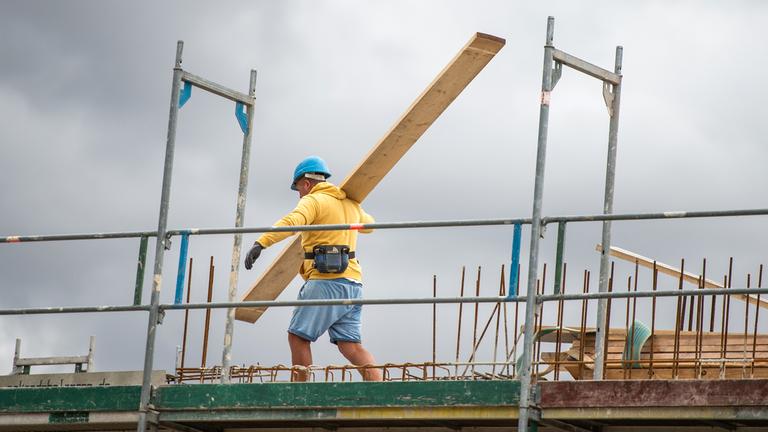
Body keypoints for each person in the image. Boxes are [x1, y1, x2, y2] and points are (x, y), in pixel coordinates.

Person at [244, 156, 382, 381]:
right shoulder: (349, 203)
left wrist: (262, 242)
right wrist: (350, 209)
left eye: (298, 188)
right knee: (351, 345)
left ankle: (301, 393)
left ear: (306, 183)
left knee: (298, 337)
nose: (299, 194)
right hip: (353, 284)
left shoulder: (313, 200)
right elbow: (370, 226)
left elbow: (293, 222)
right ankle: (380, 389)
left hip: (325, 282)